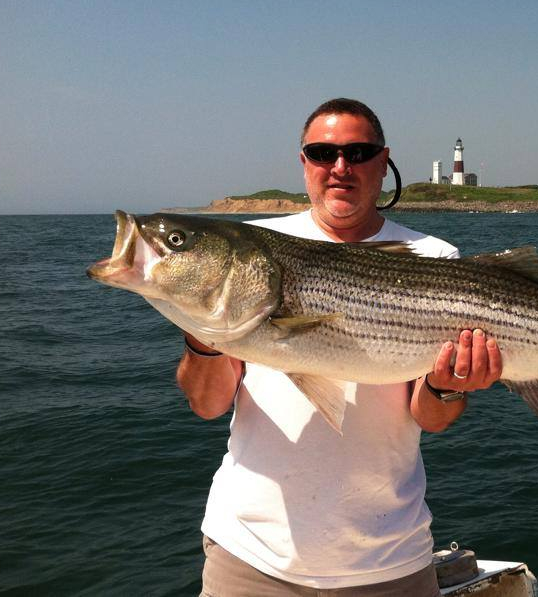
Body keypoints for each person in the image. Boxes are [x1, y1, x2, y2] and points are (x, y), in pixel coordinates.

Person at [176, 98, 503, 596]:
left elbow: (432, 419)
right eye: (323, 152)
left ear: (384, 160)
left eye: (359, 151)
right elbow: (207, 404)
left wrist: (447, 387)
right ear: (303, 161)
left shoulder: (434, 257)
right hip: (250, 558)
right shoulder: (256, 247)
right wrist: (204, 338)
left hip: (390, 560)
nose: (340, 167)